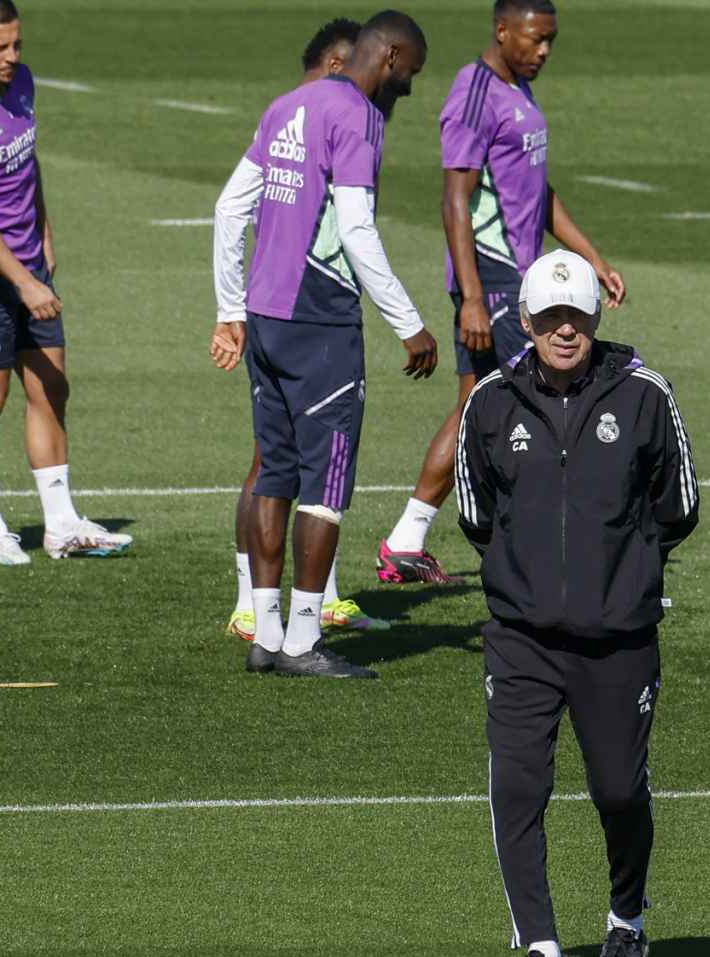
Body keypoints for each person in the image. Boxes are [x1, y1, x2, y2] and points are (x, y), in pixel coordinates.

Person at [457, 250, 698, 957]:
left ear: (596, 316)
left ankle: (627, 917)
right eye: (552, 317)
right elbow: (477, 513)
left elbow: (678, 505)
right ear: (527, 320)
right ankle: (538, 941)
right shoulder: (491, 402)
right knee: (519, 788)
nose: (566, 330)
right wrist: (523, 573)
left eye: (578, 316)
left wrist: (625, 570)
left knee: (620, 793)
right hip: (520, 637)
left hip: (619, 637)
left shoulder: (646, 394)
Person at [209, 11, 437, 679]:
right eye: (411, 72)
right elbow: (358, 230)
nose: (410, 88)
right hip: (321, 320)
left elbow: (230, 208)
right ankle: (306, 641)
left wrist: (229, 308)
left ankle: (267, 632)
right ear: (389, 57)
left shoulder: (286, 105)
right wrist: (408, 321)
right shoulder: (357, 117)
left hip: (265, 313)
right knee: (325, 486)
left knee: (273, 475)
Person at [376, 0, 626, 586]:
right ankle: (543, 542)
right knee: (545, 400)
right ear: (502, 31)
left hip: (510, 277)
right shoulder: (475, 92)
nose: (544, 51)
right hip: (491, 279)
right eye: (536, 39)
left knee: (476, 406)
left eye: (551, 41)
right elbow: (454, 200)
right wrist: (469, 297)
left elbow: (537, 191)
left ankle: (408, 540)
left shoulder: (520, 90)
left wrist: (591, 258)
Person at [0, 0, 132, 565]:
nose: (13, 56)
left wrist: (43, 227)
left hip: (26, 266)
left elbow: (27, 160)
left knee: (51, 388)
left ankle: (61, 524)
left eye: (17, 44)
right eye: (0, 47)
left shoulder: (22, 84)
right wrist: (23, 282)